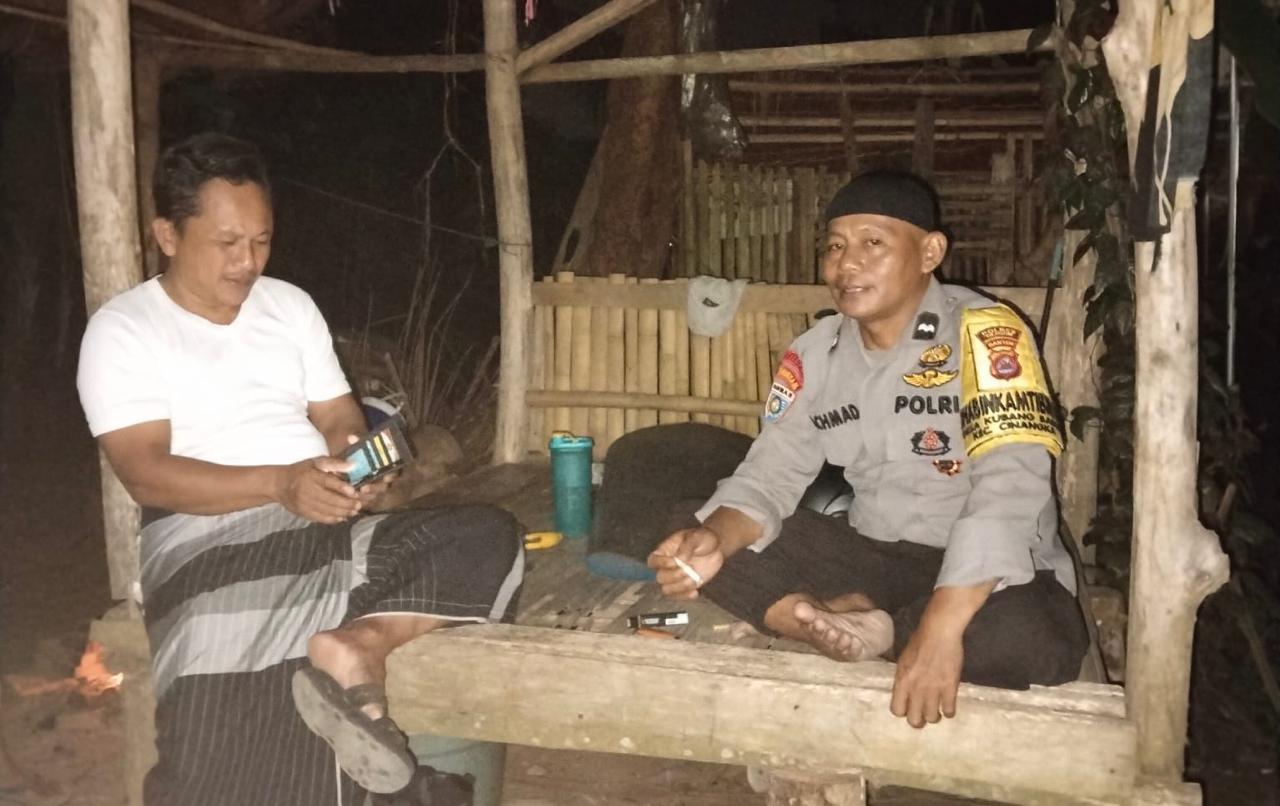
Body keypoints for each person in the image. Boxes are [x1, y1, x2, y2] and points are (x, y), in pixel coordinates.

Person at [77, 132, 524, 805]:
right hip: (205, 535)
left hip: (319, 517)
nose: (248, 261)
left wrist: (357, 463)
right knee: (220, 733)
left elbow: (340, 416)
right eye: (227, 243)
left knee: (486, 535)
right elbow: (144, 473)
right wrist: (278, 485)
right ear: (167, 234)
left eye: (261, 240)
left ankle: (359, 643)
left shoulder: (288, 306)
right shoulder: (125, 329)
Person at [648, 170, 1088, 729]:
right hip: (875, 555)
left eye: (872, 243)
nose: (846, 264)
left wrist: (941, 627)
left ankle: (873, 626)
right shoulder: (816, 352)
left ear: (929, 252)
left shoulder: (985, 333)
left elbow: (1011, 486)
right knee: (692, 526)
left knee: (1032, 639)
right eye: (835, 246)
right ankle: (849, 616)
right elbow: (771, 473)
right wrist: (715, 538)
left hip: (989, 572)